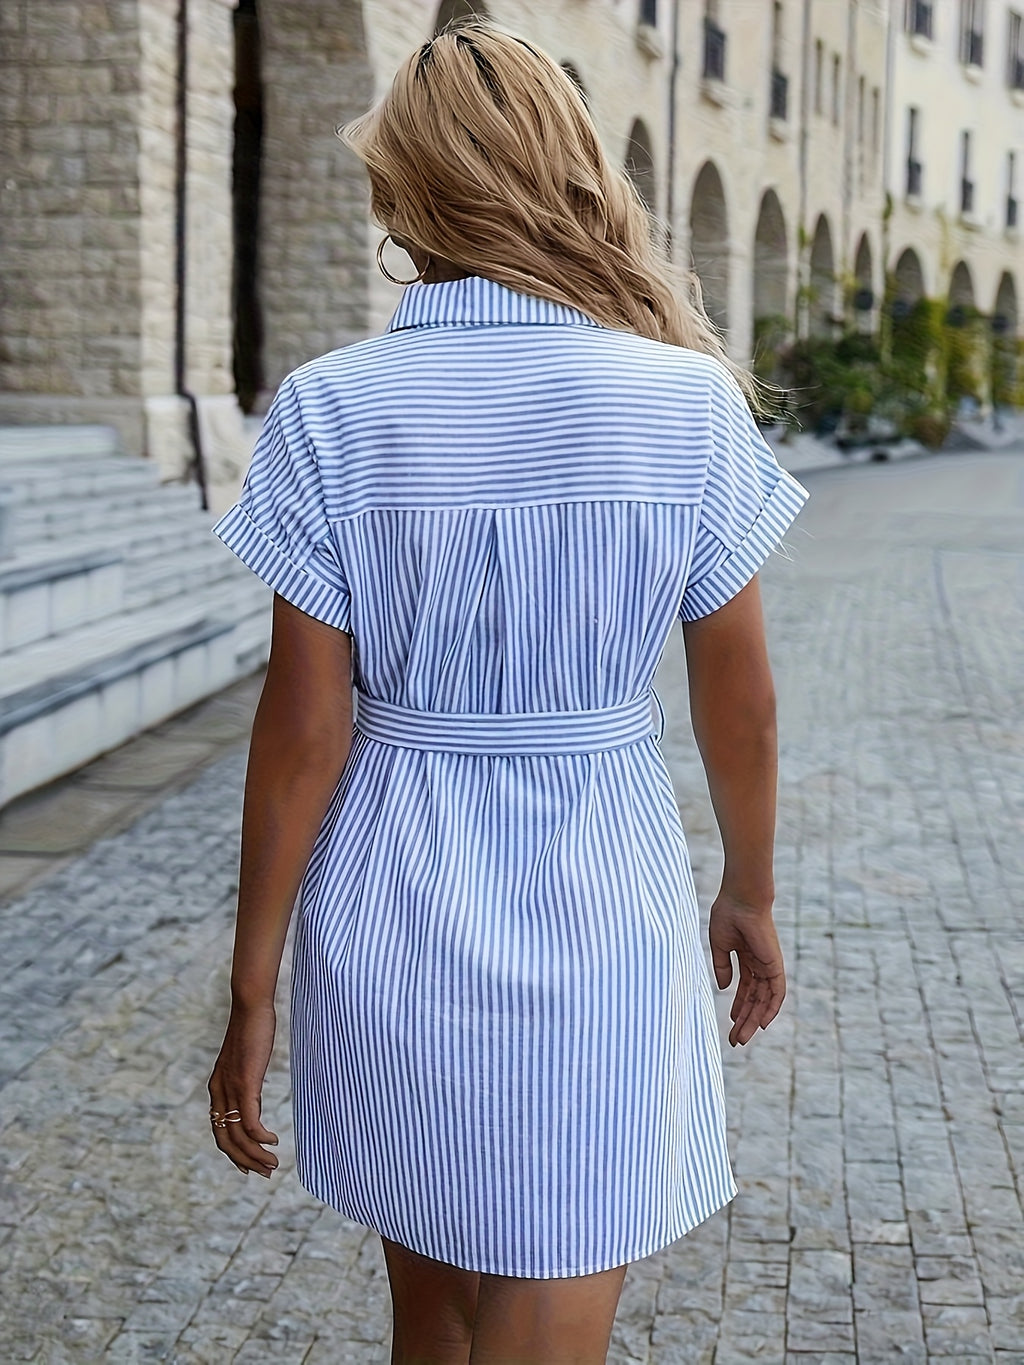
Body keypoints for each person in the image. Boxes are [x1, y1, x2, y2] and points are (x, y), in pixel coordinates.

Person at [207, 21, 808, 1365]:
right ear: (571, 169)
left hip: (391, 890)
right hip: (597, 886)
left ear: (404, 189)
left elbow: (302, 730)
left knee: (433, 1317)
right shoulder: (683, 402)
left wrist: (252, 982)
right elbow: (744, 704)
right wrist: (750, 890)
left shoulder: (330, 407)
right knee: (552, 1311)